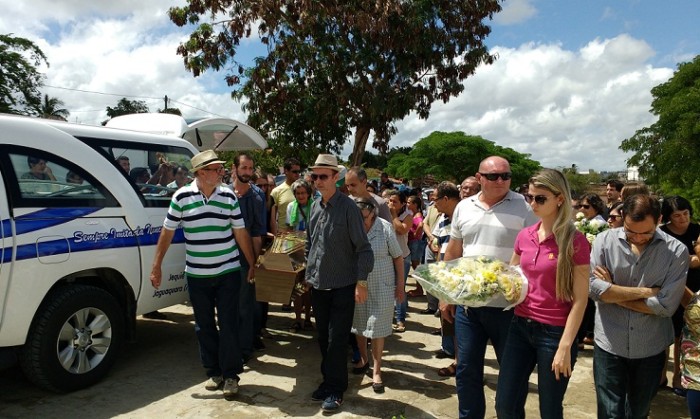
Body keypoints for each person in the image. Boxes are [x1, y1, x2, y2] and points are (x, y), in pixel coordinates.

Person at [149, 149, 256, 399]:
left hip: (228, 271)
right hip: (197, 275)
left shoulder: (228, 196)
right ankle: (213, 371)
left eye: (220, 169)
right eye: (216, 169)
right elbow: (167, 232)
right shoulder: (181, 197)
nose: (221, 173)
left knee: (228, 324)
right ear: (200, 173)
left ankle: (231, 375)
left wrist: (251, 262)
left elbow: (240, 232)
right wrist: (157, 266)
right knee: (204, 325)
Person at [441, 156, 537, 418]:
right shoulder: (464, 207)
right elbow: (453, 251)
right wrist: (445, 295)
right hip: (469, 308)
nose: (501, 181)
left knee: (512, 374)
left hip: (509, 309)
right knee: (467, 370)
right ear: (479, 177)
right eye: (493, 176)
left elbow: (534, 253)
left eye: (506, 176)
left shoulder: (526, 207)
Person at [495, 168, 590, 419]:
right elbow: (512, 277)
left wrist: (565, 346)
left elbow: (581, 300)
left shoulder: (575, 241)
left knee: (549, 409)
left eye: (540, 198)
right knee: (505, 404)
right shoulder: (525, 235)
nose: (533, 203)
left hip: (555, 332)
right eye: (529, 197)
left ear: (560, 198)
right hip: (520, 325)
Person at [589, 194, 688, 418]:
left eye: (646, 232)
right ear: (623, 217)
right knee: (609, 413)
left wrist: (613, 291)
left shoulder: (676, 252)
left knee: (638, 411)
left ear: (660, 219)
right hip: (609, 343)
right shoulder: (604, 241)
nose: (638, 238)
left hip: (650, 348)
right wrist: (646, 292)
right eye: (631, 231)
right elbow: (594, 290)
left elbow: (665, 307)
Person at [304, 154, 373, 412]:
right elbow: (311, 242)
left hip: (343, 285)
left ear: (336, 178)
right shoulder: (314, 206)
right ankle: (328, 381)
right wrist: (308, 274)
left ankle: (336, 389)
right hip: (319, 285)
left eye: (324, 176)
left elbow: (364, 249)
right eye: (315, 176)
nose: (318, 181)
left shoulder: (349, 208)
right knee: (323, 338)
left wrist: (361, 281)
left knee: (336, 340)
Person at [350, 197, 405, 394]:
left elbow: (398, 257)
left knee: (379, 327)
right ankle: (363, 359)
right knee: (359, 323)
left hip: (383, 282)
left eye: (364, 217)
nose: (361, 221)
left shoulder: (384, 227)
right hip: (358, 282)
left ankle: (377, 370)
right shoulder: (353, 226)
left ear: (373, 212)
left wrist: (401, 285)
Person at [660, 196, 700, 395]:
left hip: (694, 287)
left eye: (686, 214)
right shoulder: (662, 233)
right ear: (669, 217)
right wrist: (689, 259)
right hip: (669, 286)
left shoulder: (696, 230)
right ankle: (660, 376)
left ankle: (678, 375)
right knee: (665, 333)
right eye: (677, 215)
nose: (683, 219)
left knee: (682, 337)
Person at [229, 153, 267, 361]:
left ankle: (244, 350)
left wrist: (253, 262)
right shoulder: (223, 194)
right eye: (244, 168)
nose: (247, 173)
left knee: (245, 305)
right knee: (226, 306)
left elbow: (256, 234)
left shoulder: (257, 197)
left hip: (245, 260)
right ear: (234, 169)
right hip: (222, 258)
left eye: (250, 169)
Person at [285, 179, 314, 331]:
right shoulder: (291, 207)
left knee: (307, 286)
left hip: (311, 251)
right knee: (296, 288)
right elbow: (289, 228)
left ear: (309, 193)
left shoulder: (315, 206)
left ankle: (308, 318)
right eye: (298, 193)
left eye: (303, 193)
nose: (301, 196)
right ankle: (297, 319)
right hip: (295, 252)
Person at [385, 189, 412, 333]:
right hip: (387, 257)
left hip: (402, 257)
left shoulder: (408, 215)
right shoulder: (384, 214)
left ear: (402, 204)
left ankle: (400, 319)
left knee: (399, 288)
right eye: (390, 201)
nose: (391, 204)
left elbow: (401, 230)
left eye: (395, 202)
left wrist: (393, 215)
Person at [270, 158, 302, 235]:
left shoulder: (305, 190)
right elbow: (272, 218)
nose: (297, 174)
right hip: (284, 236)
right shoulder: (276, 191)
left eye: (299, 171)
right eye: (294, 171)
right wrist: (275, 235)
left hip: (302, 235)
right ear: (286, 171)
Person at [406, 195, 426, 297]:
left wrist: (415, 234)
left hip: (415, 243)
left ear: (415, 204)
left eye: (409, 202)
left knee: (416, 267)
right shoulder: (413, 214)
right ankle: (419, 288)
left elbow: (421, 225)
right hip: (413, 242)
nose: (407, 204)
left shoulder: (417, 215)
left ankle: (419, 289)